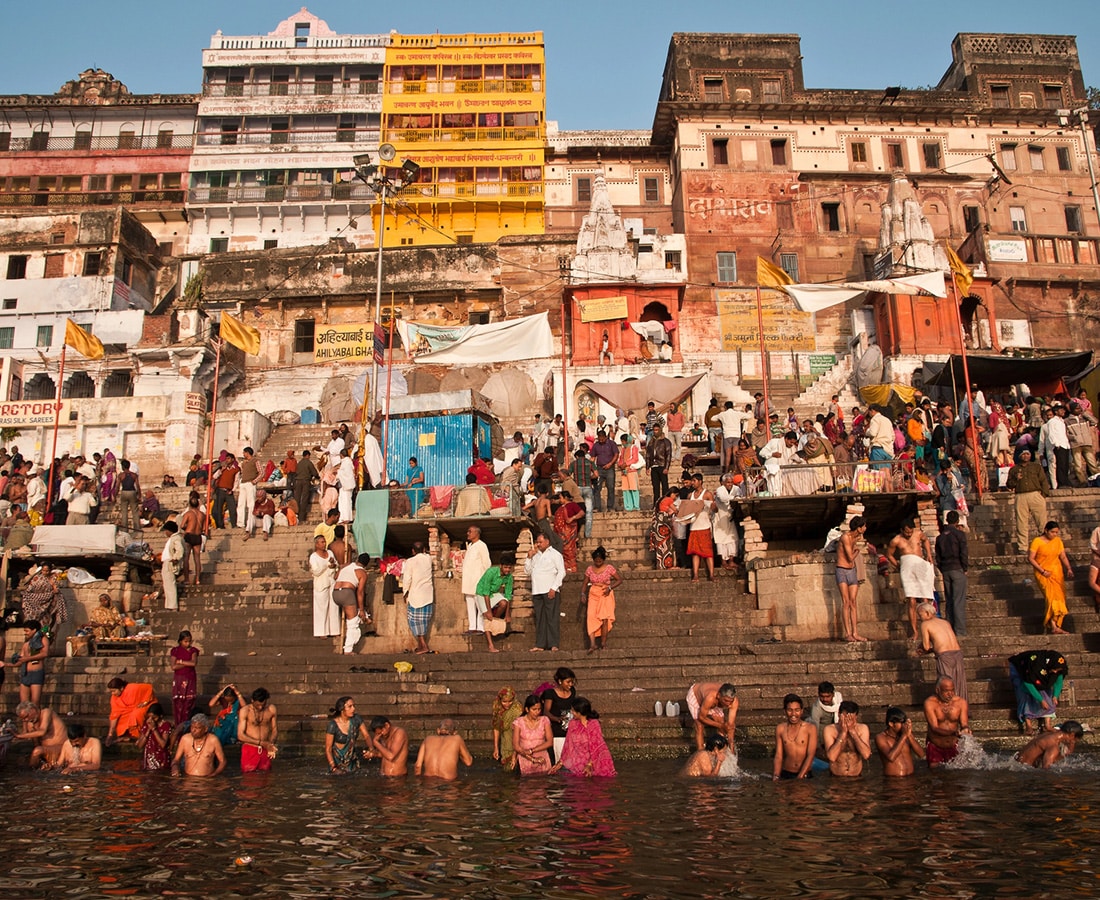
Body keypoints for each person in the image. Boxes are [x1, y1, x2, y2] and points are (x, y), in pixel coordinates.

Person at [886, 519, 935, 641]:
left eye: (910, 531)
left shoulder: (918, 534)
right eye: (907, 532)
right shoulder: (896, 540)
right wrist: (897, 565)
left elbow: (925, 541)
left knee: (925, 598)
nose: (909, 534)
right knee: (911, 600)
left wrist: (928, 554)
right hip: (907, 568)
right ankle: (915, 632)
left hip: (920, 565)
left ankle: (931, 627)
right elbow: (889, 554)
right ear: (902, 531)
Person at [1029, 520, 1074, 634]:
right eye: (1053, 532)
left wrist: (1068, 568)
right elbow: (1031, 558)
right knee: (1051, 598)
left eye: (1056, 532)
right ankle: (1054, 626)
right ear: (1046, 530)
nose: (1055, 535)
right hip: (1043, 574)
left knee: (1060, 599)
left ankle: (1055, 626)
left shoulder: (1058, 541)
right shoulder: (1037, 541)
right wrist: (1042, 571)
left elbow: (1063, 556)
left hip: (1056, 572)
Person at [552, 697, 616, 777]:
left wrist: (589, 764)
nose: (572, 713)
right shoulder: (572, 724)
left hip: (594, 760)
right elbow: (568, 745)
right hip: (576, 760)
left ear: (580, 712)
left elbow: (597, 746)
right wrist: (560, 763)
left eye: (573, 711)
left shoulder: (594, 724)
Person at [917, 601, 968, 701]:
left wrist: (923, 651)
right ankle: (963, 710)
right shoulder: (945, 622)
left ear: (927, 613)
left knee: (945, 684)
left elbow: (926, 647)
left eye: (920, 615)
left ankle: (949, 710)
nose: (920, 618)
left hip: (944, 656)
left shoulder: (925, 624)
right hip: (957, 653)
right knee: (959, 684)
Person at [1008, 650, 1068, 734]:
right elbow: (1028, 683)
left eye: (1057, 670)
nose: (1055, 672)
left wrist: (1055, 696)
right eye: (1054, 669)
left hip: (1040, 673)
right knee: (1025, 695)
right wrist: (1041, 700)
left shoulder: (1057, 667)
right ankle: (1028, 726)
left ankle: (1047, 725)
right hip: (1022, 668)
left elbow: (1058, 682)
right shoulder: (1035, 666)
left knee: (1048, 695)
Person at [525, 531, 565, 652]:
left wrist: (554, 588)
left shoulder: (555, 554)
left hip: (550, 590)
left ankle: (554, 644)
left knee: (552, 618)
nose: (538, 544)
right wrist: (528, 557)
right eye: (537, 542)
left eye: (540, 542)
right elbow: (527, 571)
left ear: (547, 542)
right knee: (540, 619)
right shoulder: (535, 555)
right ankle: (540, 644)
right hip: (537, 590)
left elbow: (561, 572)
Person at [935, 510, 969, 636]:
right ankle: (960, 631)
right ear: (957, 521)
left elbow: (937, 557)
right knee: (958, 601)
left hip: (946, 570)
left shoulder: (940, 537)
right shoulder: (959, 535)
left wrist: (942, 569)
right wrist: (965, 568)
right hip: (957, 567)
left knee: (949, 601)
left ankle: (949, 629)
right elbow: (963, 553)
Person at [923, 676, 970, 768]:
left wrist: (966, 730)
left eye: (952, 690)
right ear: (937, 690)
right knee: (934, 772)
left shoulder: (961, 702)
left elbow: (964, 724)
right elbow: (934, 728)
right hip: (935, 745)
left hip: (954, 745)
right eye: (946, 691)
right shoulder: (929, 703)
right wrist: (953, 733)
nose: (950, 694)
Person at [582, 546, 621, 652]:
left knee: (604, 619)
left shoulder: (609, 568)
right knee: (591, 617)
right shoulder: (589, 569)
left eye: (600, 560)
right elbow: (585, 582)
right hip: (593, 593)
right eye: (596, 560)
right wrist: (583, 594)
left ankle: (603, 643)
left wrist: (609, 587)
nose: (598, 562)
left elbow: (619, 580)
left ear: (603, 559)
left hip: (605, 593)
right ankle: (592, 644)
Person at [835, 516, 868, 642]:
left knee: (853, 602)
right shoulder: (845, 537)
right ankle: (848, 633)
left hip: (852, 571)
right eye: (864, 526)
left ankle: (855, 633)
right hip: (842, 570)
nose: (865, 528)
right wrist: (857, 552)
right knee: (846, 602)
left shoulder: (857, 537)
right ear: (859, 528)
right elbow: (849, 557)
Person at [333, 552, 373, 654]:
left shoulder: (347, 565)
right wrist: (362, 609)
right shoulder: (362, 573)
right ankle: (348, 649)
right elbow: (360, 592)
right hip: (347, 593)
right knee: (352, 622)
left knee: (353, 612)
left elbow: (335, 577)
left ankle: (364, 617)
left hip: (335, 593)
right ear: (366, 564)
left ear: (357, 560)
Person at [477, 552, 515, 653]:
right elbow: (485, 593)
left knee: (503, 603)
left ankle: (494, 622)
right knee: (487, 617)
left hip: (494, 593)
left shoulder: (509, 577)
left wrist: (507, 614)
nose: (507, 570)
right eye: (505, 567)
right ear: (501, 566)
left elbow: (508, 596)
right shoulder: (491, 572)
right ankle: (490, 645)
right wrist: (488, 611)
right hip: (481, 594)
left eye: (509, 568)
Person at [822, 700, 872, 776]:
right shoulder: (830, 730)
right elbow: (832, 757)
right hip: (836, 778)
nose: (848, 722)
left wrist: (853, 732)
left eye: (851, 719)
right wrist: (843, 733)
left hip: (856, 777)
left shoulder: (862, 728)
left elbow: (866, 755)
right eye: (846, 718)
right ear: (839, 715)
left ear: (856, 717)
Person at [13, 700, 68, 769]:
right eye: (24, 719)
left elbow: (42, 731)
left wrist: (18, 736)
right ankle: (34, 772)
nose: (27, 720)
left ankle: (30, 774)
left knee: (37, 751)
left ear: (33, 709)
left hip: (63, 748)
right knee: (22, 759)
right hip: (47, 751)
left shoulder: (46, 712)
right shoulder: (30, 724)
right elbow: (36, 744)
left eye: (27, 716)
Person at [773, 694, 816, 780]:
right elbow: (778, 755)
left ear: (801, 711)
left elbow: (810, 755)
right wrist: (776, 775)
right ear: (784, 711)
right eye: (790, 710)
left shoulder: (810, 728)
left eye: (797, 710)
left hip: (805, 774)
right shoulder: (780, 728)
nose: (793, 714)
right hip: (786, 772)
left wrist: (800, 776)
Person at [402, 541, 434, 654]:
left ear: (413, 551)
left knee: (414, 622)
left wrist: (405, 592)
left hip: (415, 595)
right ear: (424, 550)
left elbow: (407, 579)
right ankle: (421, 646)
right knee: (424, 622)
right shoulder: (428, 559)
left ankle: (424, 645)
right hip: (427, 595)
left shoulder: (410, 561)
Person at [325, 696, 371, 774]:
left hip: (351, 761)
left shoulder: (356, 719)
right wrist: (333, 767)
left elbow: (366, 735)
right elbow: (328, 749)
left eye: (353, 706)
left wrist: (371, 749)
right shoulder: (333, 725)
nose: (353, 709)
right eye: (350, 706)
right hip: (337, 762)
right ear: (342, 709)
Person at [874, 707, 926, 776]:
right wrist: (904, 736)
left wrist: (909, 735)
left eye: (905, 722)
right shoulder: (880, 737)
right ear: (891, 724)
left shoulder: (906, 734)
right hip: (894, 780)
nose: (904, 725)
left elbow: (921, 754)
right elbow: (891, 757)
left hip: (911, 778)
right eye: (901, 723)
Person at [171, 713, 227, 777]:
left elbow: (223, 761)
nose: (193, 730)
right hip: (188, 780)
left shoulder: (213, 740)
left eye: (197, 728)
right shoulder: (185, 739)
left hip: (207, 781)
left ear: (205, 729)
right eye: (192, 727)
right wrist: (175, 767)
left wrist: (214, 774)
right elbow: (176, 759)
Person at [688, 682, 738, 751]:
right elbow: (701, 717)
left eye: (730, 701)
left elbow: (730, 726)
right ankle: (701, 753)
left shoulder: (734, 702)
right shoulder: (710, 698)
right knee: (699, 725)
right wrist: (720, 726)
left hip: (714, 702)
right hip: (695, 696)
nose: (728, 704)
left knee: (721, 721)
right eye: (726, 701)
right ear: (719, 696)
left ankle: (720, 749)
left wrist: (732, 748)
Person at [238, 687, 278, 772]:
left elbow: (274, 730)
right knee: (249, 778)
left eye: (262, 705)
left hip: (265, 750)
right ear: (252, 700)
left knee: (266, 777)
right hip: (250, 749)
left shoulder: (271, 709)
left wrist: (271, 744)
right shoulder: (245, 711)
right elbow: (240, 735)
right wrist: (262, 743)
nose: (260, 707)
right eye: (257, 705)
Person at [685, 472, 716, 582]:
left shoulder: (707, 494)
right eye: (692, 481)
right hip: (694, 527)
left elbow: (714, 509)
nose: (692, 483)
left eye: (694, 481)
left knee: (708, 552)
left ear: (700, 481)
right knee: (695, 552)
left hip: (705, 526)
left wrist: (709, 504)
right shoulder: (690, 496)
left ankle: (711, 575)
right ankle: (695, 575)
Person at [1015, 721, 1087, 769]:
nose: (1072, 742)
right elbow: (1046, 769)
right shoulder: (1053, 746)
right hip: (1024, 773)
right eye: (1074, 740)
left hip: (1017, 765)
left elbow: (1067, 752)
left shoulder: (1048, 735)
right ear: (1072, 735)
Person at [541, 667, 577, 761]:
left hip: (569, 728)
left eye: (572, 682)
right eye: (568, 682)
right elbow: (546, 711)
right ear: (560, 681)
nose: (570, 684)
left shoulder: (572, 691)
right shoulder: (550, 693)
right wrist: (557, 719)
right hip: (555, 729)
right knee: (558, 758)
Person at [106, 677, 156, 745]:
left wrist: (145, 702)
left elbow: (148, 687)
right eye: (111, 691)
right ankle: (127, 736)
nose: (112, 693)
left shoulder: (132, 688)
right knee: (121, 720)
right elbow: (114, 715)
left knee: (136, 714)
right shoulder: (114, 698)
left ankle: (137, 736)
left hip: (145, 705)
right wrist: (110, 734)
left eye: (114, 691)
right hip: (128, 710)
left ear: (121, 688)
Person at [513, 694, 554, 775]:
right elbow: (516, 746)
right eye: (534, 709)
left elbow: (550, 742)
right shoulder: (519, 722)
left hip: (542, 758)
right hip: (525, 758)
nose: (537, 712)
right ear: (527, 709)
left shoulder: (544, 720)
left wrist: (532, 751)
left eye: (539, 709)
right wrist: (533, 759)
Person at [309, 535, 340, 641]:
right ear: (317, 544)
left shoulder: (330, 553)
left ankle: (335, 630)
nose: (324, 544)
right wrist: (327, 565)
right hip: (321, 584)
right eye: (322, 542)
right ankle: (321, 631)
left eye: (324, 542)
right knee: (321, 608)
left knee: (333, 606)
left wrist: (333, 565)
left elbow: (335, 564)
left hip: (331, 582)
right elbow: (316, 571)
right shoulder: (313, 556)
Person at [13, 620, 48, 705]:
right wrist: (7, 664)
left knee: (35, 702)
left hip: (36, 673)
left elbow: (44, 653)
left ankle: (37, 718)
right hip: (25, 674)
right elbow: (21, 660)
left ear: (34, 630)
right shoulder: (26, 644)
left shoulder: (43, 639)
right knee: (24, 703)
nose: (25, 633)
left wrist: (27, 658)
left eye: (27, 631)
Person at [170, 630, 200, 725]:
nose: (188, 643)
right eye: (185, 641)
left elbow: (193, 663)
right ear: (180, 641)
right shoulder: (175, 650)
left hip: (190, 679)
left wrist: (181, 661)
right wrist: (187, 663)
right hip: (179, 679)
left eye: (189, 641)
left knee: (189, 702)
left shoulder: (193, 650)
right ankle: (179, 725)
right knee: (179, 702)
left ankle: (187, 725)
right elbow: (173, 666)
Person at [552, 491, 585, 574]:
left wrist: (572, 518)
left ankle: (572, 567)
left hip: (569, 532)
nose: (560, 500)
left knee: (569, 549)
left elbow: (581, 513)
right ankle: (565, 567)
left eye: (561, 497)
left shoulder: (572, 505)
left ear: (565, 498)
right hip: (560, 533)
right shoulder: (560, 507)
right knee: (561, 549)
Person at [491, 686, 521, 769]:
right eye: (504, 702)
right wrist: (496, 748)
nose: (507, 704)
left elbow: (520, 731)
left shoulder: (517, 710)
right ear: (500, 700)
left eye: (510, 701)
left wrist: (515, 753)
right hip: (505, 741)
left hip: (517, 740)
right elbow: (496, 727)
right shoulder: (498, 708)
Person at [137, 703, 173, 772]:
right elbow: (140, 745)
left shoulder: (166, 725)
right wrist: (148, 730)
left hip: (162, 759)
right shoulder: (146, 725)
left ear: (160, 716)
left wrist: (154, 729)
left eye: (154, 718)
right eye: (149, 717)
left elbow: (163, 744)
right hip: (149, 759)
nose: (151, 720)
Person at [648, 489, 678, 570]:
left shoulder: (660, 499)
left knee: (660, 546)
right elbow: (675, 510)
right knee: (667, 545)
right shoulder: (669, 499)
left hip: (657, 525)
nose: (675, 498)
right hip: (664, 525)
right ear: (672, 494)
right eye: (676, 495)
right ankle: (667, 565)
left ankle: (660, 566)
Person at [179, 493, 205, 585]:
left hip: (189, 536)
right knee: (197, 559)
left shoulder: (188, 513)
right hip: (198, 536)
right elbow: (204, 528)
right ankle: (197, 579)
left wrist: (187, 526)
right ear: (198, 504)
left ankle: (187, 579)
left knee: (186, 558)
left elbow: (182, 525)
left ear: (190, 504)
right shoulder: (202, 515)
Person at [160, 521, 185, 611]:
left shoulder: (176, 538)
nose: (165, 532)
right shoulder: (173, 538)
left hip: (170, 563)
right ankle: (169, 605)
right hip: (167, 562)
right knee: (167, 585)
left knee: (170, 584)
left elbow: (180, 550)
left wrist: (175, 558)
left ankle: (173, 606)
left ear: (170, 530)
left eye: (166, 530)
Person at [645, 425, 672, 507]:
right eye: (654, 430)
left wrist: (667, 467)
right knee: (655, 487)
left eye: (657, 430)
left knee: (665, 486)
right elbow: (648, 455)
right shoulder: (651, 442)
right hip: (654, 466)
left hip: (662, 465)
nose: (655, 432)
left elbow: (668, 455)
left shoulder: (666, 441)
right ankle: (656, 504)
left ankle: (665, 503)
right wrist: (647, 467)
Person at [294, 449, 319, 521]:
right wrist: (318, 477)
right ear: (308, 455)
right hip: (305, 481)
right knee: (304, 499)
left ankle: (296, 515)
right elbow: (314, 473)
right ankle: (302, 517)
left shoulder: (299, 463)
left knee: (297, 498)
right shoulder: (309, 463)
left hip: (297, 481)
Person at [617, 434, 641, 511]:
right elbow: (620, 459)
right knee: (626, 489)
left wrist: (626, 464)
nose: (622, 443)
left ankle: (636, 506)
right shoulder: (623, 449)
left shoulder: (633, 448)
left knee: (634, 488)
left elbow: (635, 459)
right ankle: (628, 506)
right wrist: (621, 465)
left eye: (623, 441)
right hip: (624, 472)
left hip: (631, 471)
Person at [117, 458, 141, 531]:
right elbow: (137, 485)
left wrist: (115, 494)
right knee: (135, 511)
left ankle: (125, 529)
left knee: (124, 512)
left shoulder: (121, 475)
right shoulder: (134, 475)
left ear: (123, 467)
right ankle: (137, 528)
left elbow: (117, 486)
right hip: (132, 492)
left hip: (124, 492)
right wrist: (139, 495)